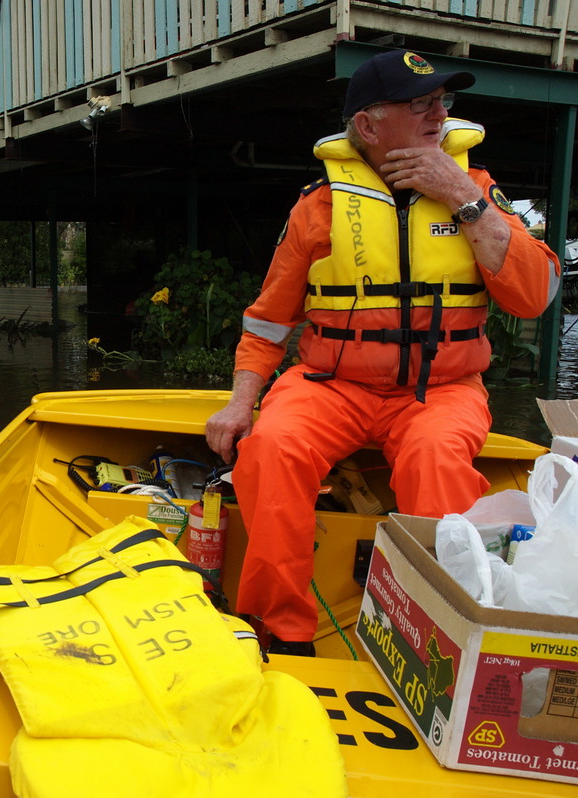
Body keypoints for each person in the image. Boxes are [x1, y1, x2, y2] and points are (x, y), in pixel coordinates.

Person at [204, 50, 560, 657]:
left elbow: (533, 296)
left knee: (437, 461)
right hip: (330, 384)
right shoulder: (318, 206)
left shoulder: (474, 187)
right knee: (271, 448)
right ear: (368, 126)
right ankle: (281, 633)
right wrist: (241, 403)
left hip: (440, 391)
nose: (439, 113)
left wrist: (459, 197)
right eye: (421, 103)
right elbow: (268, 322)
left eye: (444, 101)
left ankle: (445, 641)